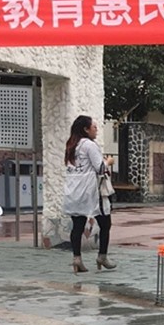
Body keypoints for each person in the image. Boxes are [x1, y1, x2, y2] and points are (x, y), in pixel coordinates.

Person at [63, 115, 116, 273]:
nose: (96, 130)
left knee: (77, 226)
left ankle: (76, 258)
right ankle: (102, 256)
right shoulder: (89, 145)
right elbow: (100, 168)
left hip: (74, 189)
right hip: (90, 190)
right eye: (94, 127)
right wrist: (109, 162)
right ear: (86, 129)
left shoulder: (71, 145)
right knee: (105, 223)